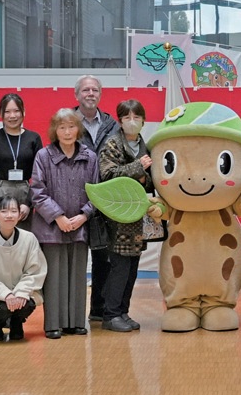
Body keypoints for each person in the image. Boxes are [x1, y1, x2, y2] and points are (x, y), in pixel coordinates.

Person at [30, 108, 98, 340]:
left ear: (78, 129)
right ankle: (53, 324)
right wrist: (58, 216)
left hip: (80, 226)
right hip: (51, 227)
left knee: (78, 276)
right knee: (54, 277)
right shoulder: (43, 156)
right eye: (62, 127)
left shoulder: (90, 157)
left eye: (71, 126)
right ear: (55, 130)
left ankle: (76, 322)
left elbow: (96, 192)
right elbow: (37, 191)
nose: (67, 132)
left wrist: (84, 215)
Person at [96, 99, 152, 332]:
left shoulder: (144, 145)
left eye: (136, 117)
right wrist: (138, 168)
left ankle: (123, 312)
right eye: (127, 117)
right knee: (118, 268)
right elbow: (107, 174)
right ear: (119, 121)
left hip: (137, 217)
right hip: (117, 217)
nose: (132, 122)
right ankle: (110, 315)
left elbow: (150, 180)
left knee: (132, 268)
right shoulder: (112, 143)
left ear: (143, 120)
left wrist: (144, 177)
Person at [0, 195, 48, 342]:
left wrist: (20, 292)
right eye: (4, 211)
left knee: (26, 304)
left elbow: (35, 270)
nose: (9, 215)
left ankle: (16, 322)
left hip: (22, 293)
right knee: (2, 308)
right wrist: (5, 294)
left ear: (19, 215)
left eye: (13, 211)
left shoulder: (29, 238)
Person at [74, 76, 119, 324]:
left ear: (100, 94)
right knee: (74, 257)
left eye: (94, 90)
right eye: (85, 90)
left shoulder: (112, 125)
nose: (90, 93)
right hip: (74, 198)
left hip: (106, 198)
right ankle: (71, 314)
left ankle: (99, 310)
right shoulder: (67, 121)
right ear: (77, 95)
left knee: (105, 257)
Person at [0, 93, 44, 219]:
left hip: (24, 194)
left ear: (23, 112)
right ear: (0, 113)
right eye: (7, 112)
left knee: (23, 232)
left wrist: (28, 203)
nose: (12, 116)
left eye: (16, 111)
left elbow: (40, 174)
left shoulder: (34, 138)